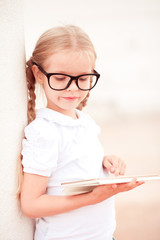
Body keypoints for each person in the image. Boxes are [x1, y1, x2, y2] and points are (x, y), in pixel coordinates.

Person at [20, 25, 144, 240]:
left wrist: (105, 162)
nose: (73, 88)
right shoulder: (44, 132)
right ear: (39, 74)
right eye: (60, 78)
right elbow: (31, 205)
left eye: (83, 78)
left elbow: (72, 164)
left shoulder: (84, 121)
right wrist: (92, 198)